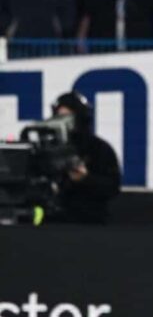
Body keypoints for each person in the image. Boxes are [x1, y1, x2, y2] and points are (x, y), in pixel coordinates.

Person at [47, 91, 121, 224]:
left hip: (90, 222)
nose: (63, 122)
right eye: (59, 117)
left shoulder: (99, 148)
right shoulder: (48, 147)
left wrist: (86, 179)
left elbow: (112, 188)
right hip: (53, 221)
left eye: (68, 117)